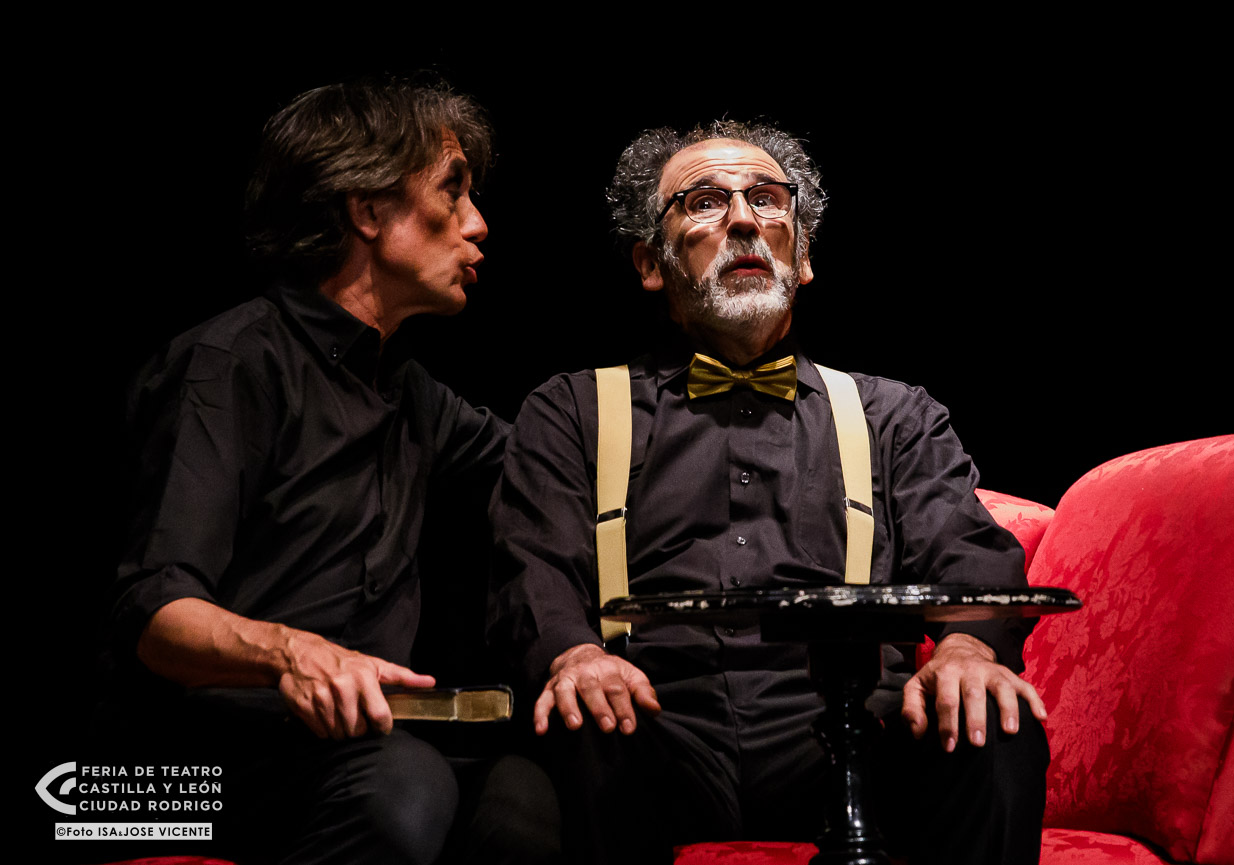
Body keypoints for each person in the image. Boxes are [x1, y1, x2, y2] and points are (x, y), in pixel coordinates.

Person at [494, 121, 1050, 864]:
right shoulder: (572, 410)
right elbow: (532, 569)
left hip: (851, 734)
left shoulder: (893, 415)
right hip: (647, 727)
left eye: (766, 198)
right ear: (650, 263)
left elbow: (970, 555)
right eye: (704, 201)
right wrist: (574, 657)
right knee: (543, 765)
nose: (744, 220)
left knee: (997, 728)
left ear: (804, 255)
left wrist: (967, 648)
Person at [107, 81, 547, 865]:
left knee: (525, 799)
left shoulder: (411, 393)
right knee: (404, 788)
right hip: (184, 772)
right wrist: (292, 654)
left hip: (351, 750)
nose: (479, 223)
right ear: (367, 211)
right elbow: (153, 613)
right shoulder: (231, 363)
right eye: (453, 191)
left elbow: (556, 467)